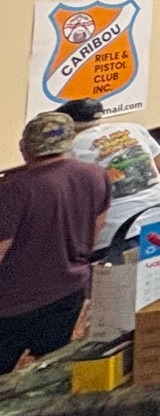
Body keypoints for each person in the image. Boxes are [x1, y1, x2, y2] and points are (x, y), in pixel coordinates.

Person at [0, 113, 109, 365]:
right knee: (51, 365)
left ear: (24, 147)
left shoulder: (16, 189)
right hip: (70, 287)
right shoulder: (96, 174)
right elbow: (98, 226)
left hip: (14, 301)